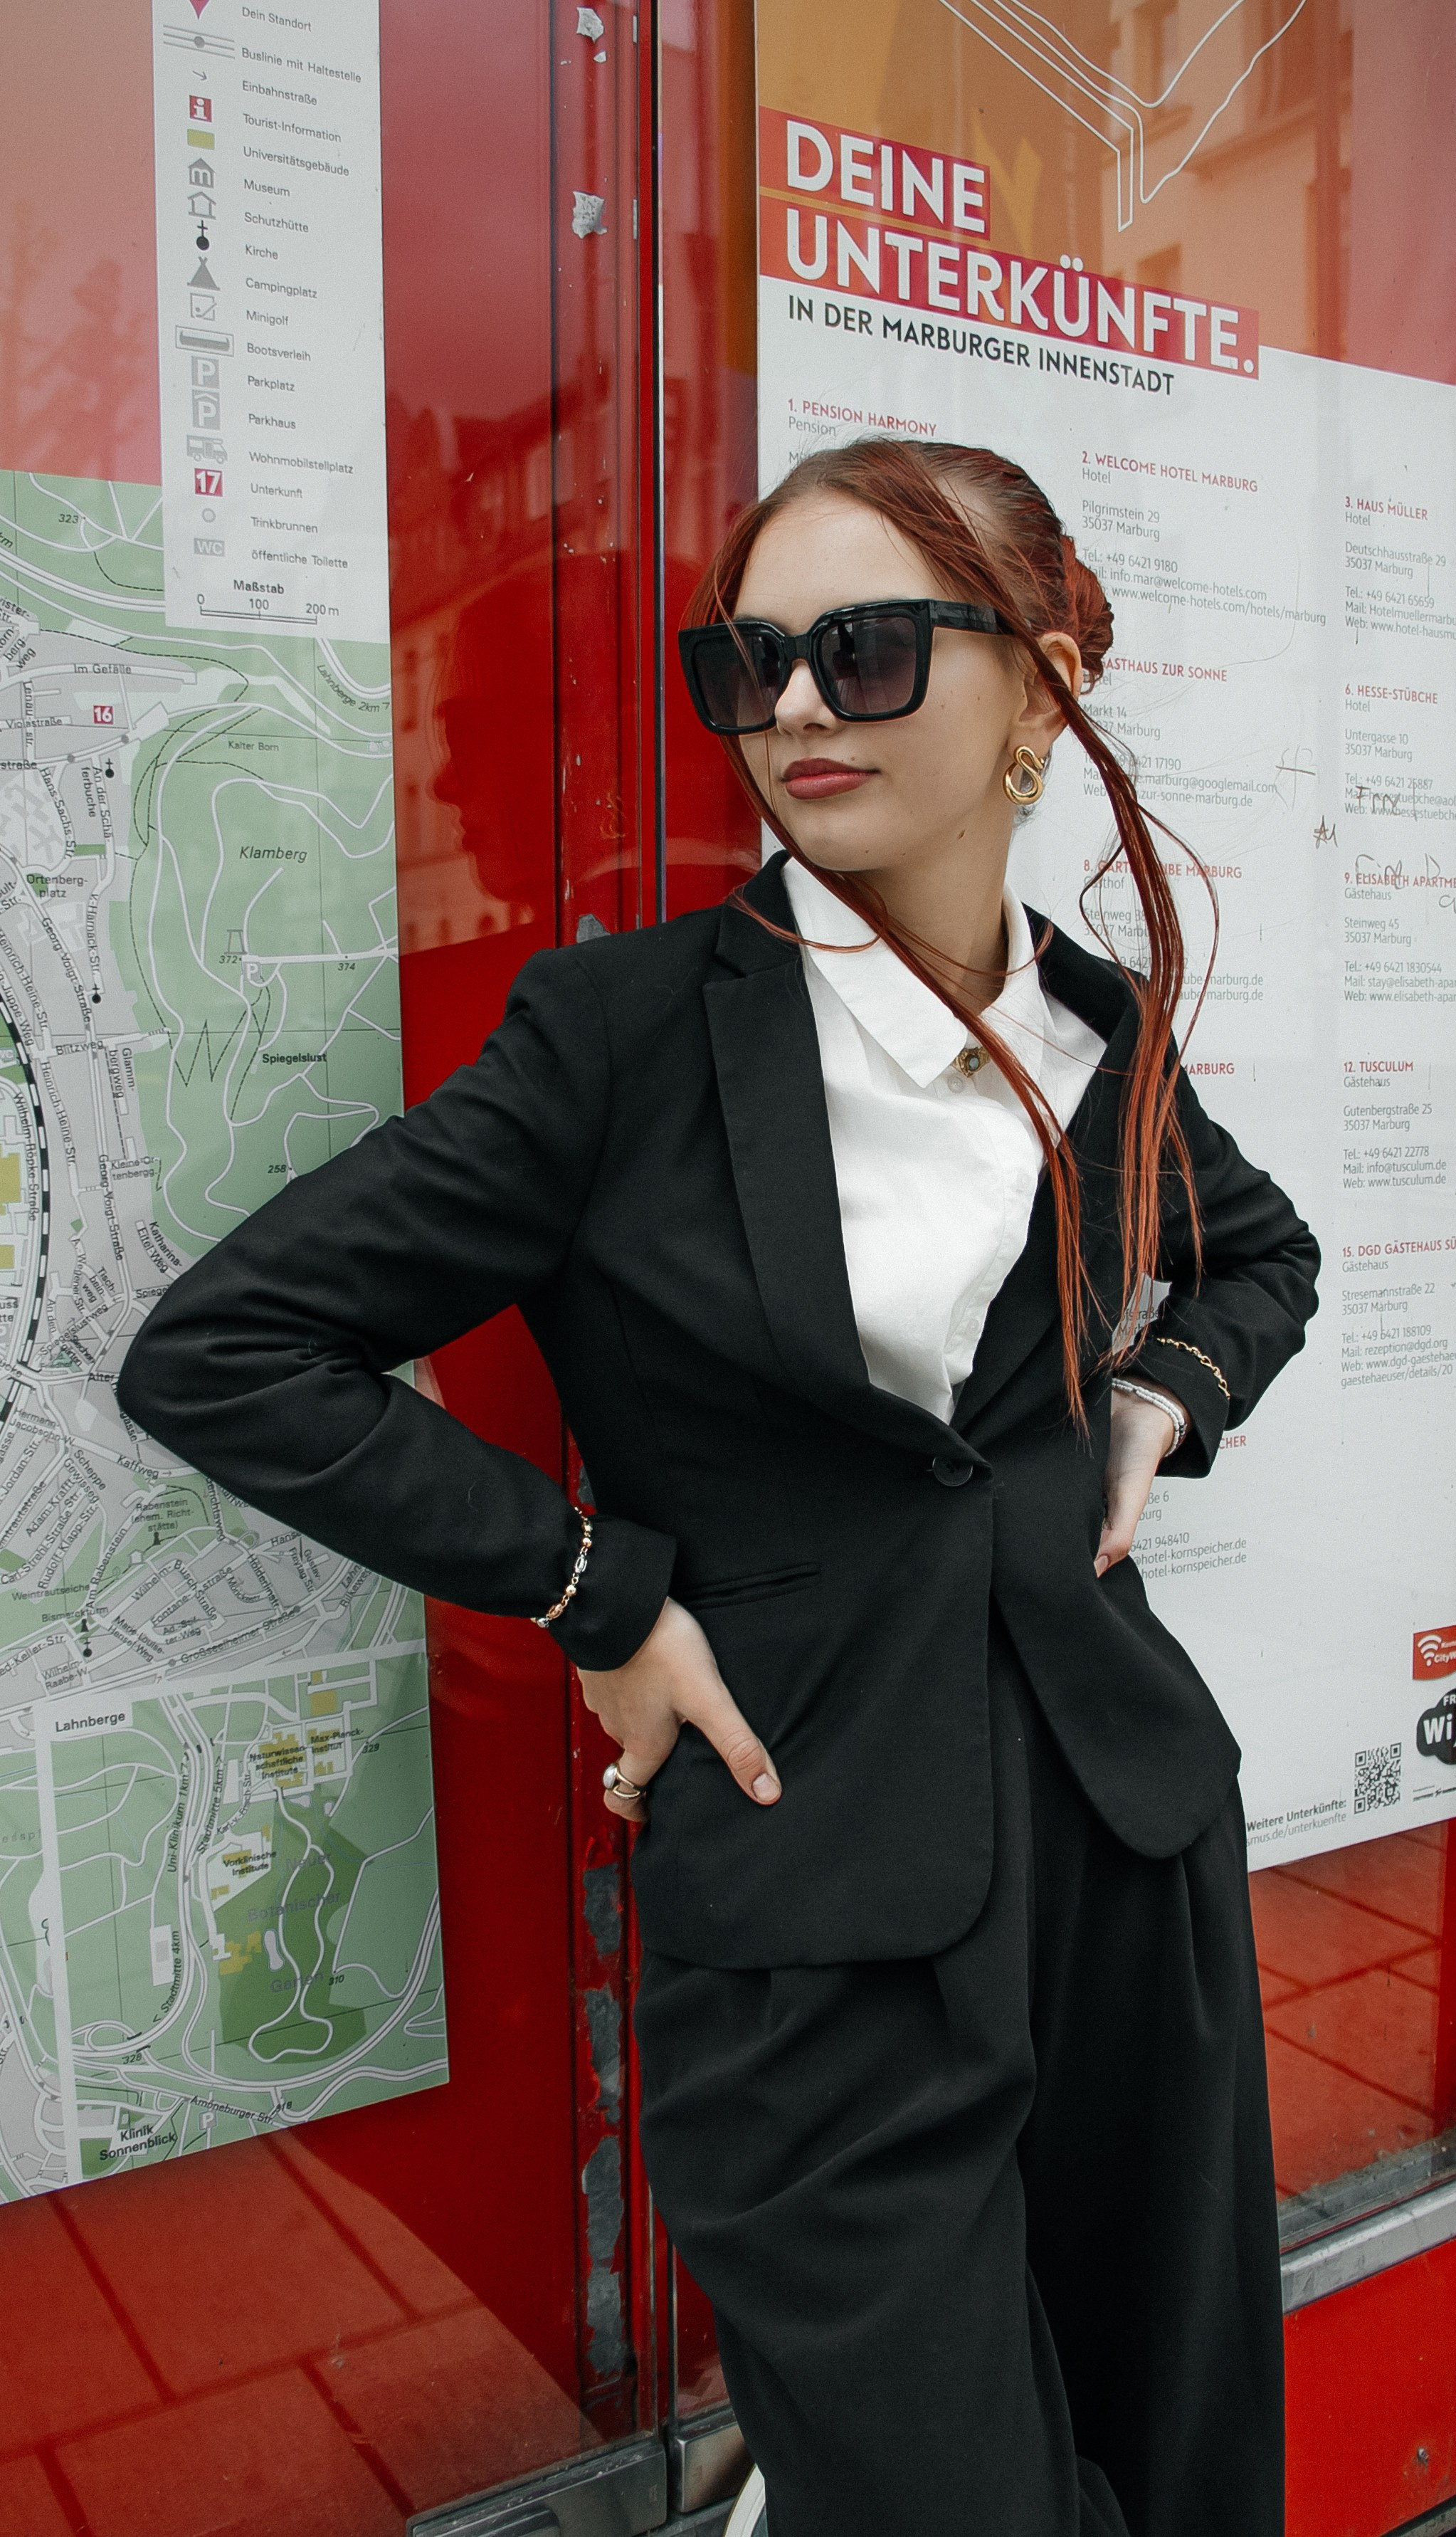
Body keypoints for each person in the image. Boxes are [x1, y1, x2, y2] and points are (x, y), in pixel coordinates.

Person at [117, 435, 1318, 2537]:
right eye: (744, 661)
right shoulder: (622, 1036)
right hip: (807, 1878)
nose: (787, 709)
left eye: (861, 654)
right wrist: (596, 1589)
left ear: (1036, 691)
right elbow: (224, 1350)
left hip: (1123, 1842)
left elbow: (1259, 1250)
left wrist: (1170, 1395)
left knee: (1179, 2455)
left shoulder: (1102, 1034)